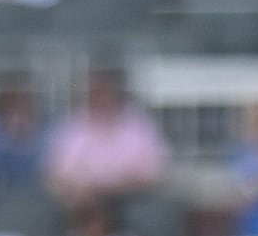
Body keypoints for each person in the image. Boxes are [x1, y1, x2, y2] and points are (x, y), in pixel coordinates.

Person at [42, 70, 170, 205]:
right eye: (96, 96)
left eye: (106, 95)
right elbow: (58, 173)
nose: (101, 101)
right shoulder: (72, 126)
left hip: (132, 198)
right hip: (85, 200)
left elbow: (156, 172)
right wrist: (87, 186)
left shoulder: (139, 125)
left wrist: (115, 186)